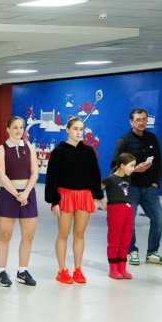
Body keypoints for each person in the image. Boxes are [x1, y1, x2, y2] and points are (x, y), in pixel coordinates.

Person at [45, 116, 102, 284]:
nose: (78, 132)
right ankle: (62, 270)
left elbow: (95, 175)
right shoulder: (58, 152)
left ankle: (78, 270)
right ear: (67, 130)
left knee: (79, 234)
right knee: (63, 234)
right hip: (65, 196)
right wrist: (54, 201)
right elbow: (52, 178)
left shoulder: (89, 151)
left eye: (81, 129)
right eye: (75, 129)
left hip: (84, 196)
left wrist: (96, 196)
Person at [112, 108, 162, 266]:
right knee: (129, 221)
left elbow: (158, 162)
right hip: (130, 188)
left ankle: (153, 253)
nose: (141, 122)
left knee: (159, 218)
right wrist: (134, 169)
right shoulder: (124, 141)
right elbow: (115, 167)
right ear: (131, 122)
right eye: (138, 119)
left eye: (144, 119)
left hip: (149, 188)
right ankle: (132, 251)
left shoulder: (152, 138)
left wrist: (155, 182)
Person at [0, 115, 39, 287]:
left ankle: (22, 272)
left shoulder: (30, 147)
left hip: (28, 194)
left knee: (28, 235)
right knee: (5, 235)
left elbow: (35, 172)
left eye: (21, 127)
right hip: (9, 194)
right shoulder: (1, 149)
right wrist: (16, 194)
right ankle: (2, 272)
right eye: (15, 127)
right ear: (8, 129)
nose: (18, 130)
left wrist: (25, 193)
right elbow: (1, 175)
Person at [100, 153, 137, 280]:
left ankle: (122, 268)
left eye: (134, 166)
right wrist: (103, 202)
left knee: (125, 240)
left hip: (128, 210)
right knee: (114, 240)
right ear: (122, 165)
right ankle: (113, 269)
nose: (133, 169)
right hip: (115, 210)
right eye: (131, 166)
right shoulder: (110, 178)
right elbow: (97, 189)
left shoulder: (128, 178)